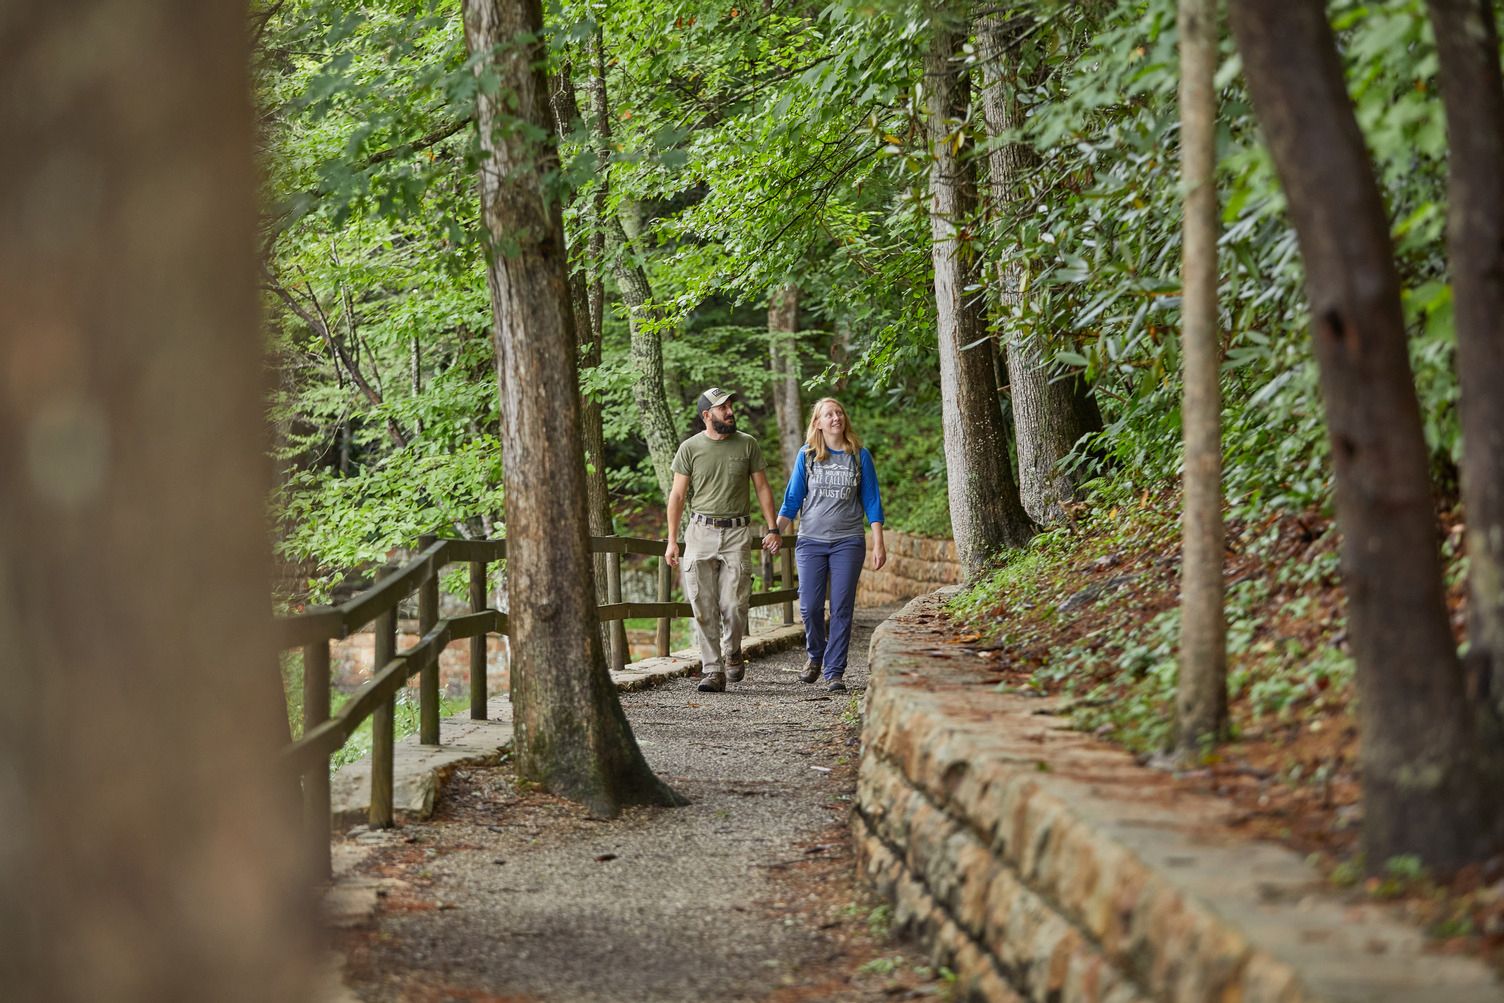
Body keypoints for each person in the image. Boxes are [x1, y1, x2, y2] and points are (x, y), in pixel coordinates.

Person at [665, 387, 782, 693]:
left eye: (730, 406)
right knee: (702, 604)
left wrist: (773, 528)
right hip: (700, 531)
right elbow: (677, 496)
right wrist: (671, 540)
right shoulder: (689, 448)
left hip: (737, 533)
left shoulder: (747, 444)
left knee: (734, 604)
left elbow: (762, 488)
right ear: (707, 416)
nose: (730, 411)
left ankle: (732, 650)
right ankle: (712, 668)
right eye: (722, 408)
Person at [776, 397, 886, 693]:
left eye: (839, 412)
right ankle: (815, 656)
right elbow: (792, 499)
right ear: (818, 423)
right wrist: (776, 531)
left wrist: (878, 542)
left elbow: (872, 500)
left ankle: (834, 671)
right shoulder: (808, 455)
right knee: (810, 607)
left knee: (841, 608)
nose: (836, 417)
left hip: (847, 542)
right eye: (829, 414)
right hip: (810, 541)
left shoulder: (859, 455)